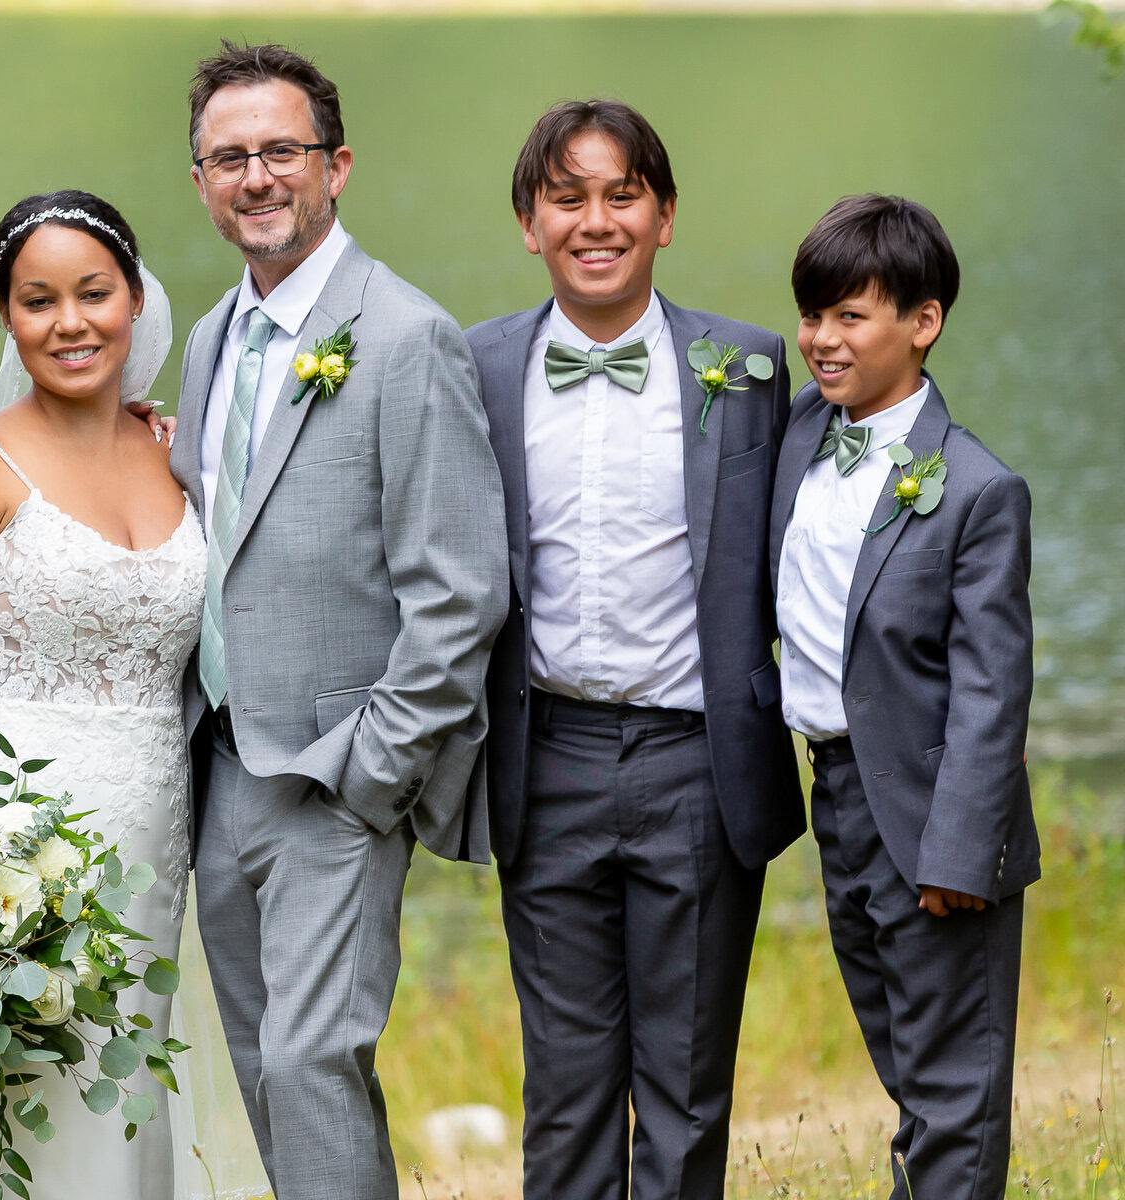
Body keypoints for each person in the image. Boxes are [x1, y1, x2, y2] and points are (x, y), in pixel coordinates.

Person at [0, 189, 260, 1200]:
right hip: (5, 844)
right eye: (38, 301)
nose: (69, 322)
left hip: (153, 836)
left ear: (137, 301)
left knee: (122, 1110)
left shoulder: (175, 456)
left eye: (93, 293)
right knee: (15, 1120)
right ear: (8, 317)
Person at [172, 42, 508, 1200]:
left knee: (316, 1057)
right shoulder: (214, 338)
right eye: (230, 158)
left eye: (281, 151)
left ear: (337, 166)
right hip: (221, 766)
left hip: (336, 773)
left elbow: (460, 593)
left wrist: (375, 775)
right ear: (202, 180)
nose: (257, 178)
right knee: (267, 1060)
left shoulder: (408, 337)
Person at [464, 99, 804, 1200]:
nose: (595, 220)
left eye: (622, 195)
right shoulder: (477, 367)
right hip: (545, 757)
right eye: (568, 198)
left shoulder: (746, 370)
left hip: (698, 762)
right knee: (564, 1090)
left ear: (665, 215)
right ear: (529, 222)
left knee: (688, 1085)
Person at [774, 193, 1036, 1200]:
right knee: (906, 1065)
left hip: (933, 819)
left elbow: (991, 687)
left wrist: (963, 852)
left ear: (922, 324)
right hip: (835, 796)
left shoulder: (976, 489)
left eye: (851, 316)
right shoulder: (800, 437)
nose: (821, 341)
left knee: (953, 1089)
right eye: (812, 315)